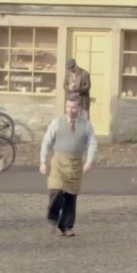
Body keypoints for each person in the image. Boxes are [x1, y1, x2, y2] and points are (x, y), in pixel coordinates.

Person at [40, 95, 97, 237]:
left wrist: (89, 161)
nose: (70, 110)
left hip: (75, 163)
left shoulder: (86, 125)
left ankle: (66, 226)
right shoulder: (57, 123)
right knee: (56, 191)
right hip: (58, 162)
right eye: (68, 107)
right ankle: (52, 219)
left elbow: (92, 143)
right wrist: (43, 161)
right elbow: (47, 141)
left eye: (73, 107)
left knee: (71, 196)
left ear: (79, 108)